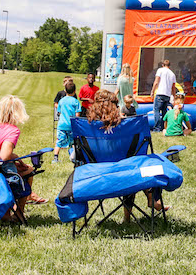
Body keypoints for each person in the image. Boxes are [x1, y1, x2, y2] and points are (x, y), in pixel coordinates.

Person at [85, 90, 168, 223]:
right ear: (114, 106)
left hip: (94, 173)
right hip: (124, 171)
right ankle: (143, 204)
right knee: (139, 164)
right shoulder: (126, 125)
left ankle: (146, 202)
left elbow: (76, 155)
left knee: (129, 164)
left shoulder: (86, 125)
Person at [0, 95, 47, 220]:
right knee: (29, 170)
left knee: (24, 168)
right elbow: (5, 155)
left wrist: (16, 158)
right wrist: (15, 158)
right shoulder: (12, 130)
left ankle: (7, 211)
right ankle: (18, 213)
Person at [53, 81, 80, 163]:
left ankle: (55, 158)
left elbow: (59, 112)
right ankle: (74, 157)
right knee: (73, 142)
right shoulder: (76, 102)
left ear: (65, 91)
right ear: (75, 91)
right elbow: (77, 115)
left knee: (59, 141)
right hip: (71, 125)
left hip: (62, 124)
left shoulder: (61, 101)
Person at [151, 60, 176, 132]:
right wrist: (174, 96)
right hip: (167, 95)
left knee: (157, 110)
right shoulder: (172, 74)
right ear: (169, 66)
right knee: (164, 111)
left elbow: (156, 81)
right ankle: (164, 127)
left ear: (163, 65)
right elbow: (173, 87)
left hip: (160, 93)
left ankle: (157, 128)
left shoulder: (160, 70)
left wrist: (152, 91)